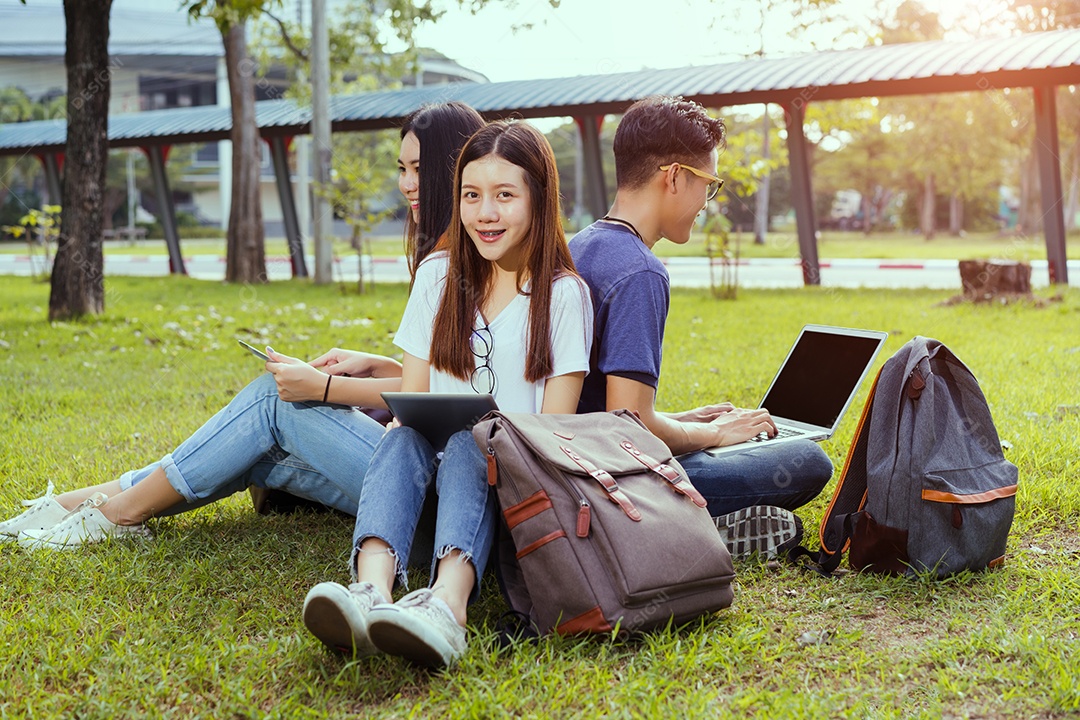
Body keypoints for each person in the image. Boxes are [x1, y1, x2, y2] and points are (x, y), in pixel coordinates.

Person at [0, 101, 487, 549]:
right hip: (430, 498)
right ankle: (73, 507)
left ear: (456, 169)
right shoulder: (470, 259)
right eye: (401, 169)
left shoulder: (451, 266)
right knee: (248, 448)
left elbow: (429, 400)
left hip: (436, 501)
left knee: (268, 403)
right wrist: (378, 364)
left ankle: (112, 517)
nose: (406, 184)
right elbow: (456, 380)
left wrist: (322, 388)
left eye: (419, 170)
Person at [301, 120, 593, 669]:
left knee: (468, 442)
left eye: (505, 196)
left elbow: (555, 434)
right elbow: (413, 396)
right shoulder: (438, 275)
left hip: (509, 495)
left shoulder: (563, 296)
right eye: (472, 195)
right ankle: (371, 592)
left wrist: (481, 435)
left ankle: (447, 607)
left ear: (539, 199)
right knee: (404, 430)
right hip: (424, 494)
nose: (486, 213)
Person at [568, 96, 833, 556]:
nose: (705, 204)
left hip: (568, 459)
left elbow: (604, 405)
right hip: (611, 477)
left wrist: (686, 421)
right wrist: (717, 435)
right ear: (673, 177)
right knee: (809, 461)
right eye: (707, 186)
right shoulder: (640, 271)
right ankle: (679, 531)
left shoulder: (579, 246)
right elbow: (628, 425)